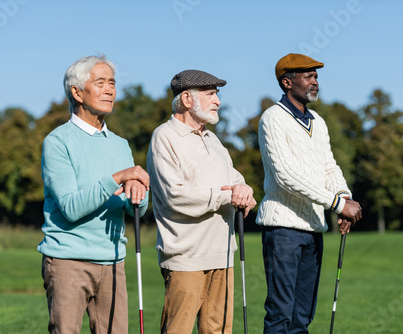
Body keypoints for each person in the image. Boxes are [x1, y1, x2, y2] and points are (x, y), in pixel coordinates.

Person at [37, 55, 149, 334]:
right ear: (77, 92)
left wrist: (139, 193)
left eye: (112, 83)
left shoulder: (121, 145)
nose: (110, 90)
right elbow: (71, 207)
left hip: (113, 261)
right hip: (67, 263)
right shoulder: (57, 142)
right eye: (101, 83)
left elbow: (138, 209)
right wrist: (118, 178)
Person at [256, 53, 362, 333]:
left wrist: (344, 196)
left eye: (316, 76)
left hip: (313, 227)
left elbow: (329, 167)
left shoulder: (318, 121)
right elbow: (286, 176)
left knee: (302, 316)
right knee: (281, 315)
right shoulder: (273, 118)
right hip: (282, 229)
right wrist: (337, 204)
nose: (315, 82)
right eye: (309, 76)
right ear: (287, 82)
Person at [147, 69, 257, 334]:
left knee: (219, 331)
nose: (217, 101)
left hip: (223, 255)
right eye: (210, 94)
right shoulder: (164, 137)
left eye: (216, 94)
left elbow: (236, 180)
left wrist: (245, 190)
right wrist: (227, 195)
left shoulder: (214, 140)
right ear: (186, 98)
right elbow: (175, 195)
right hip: (186, 258)